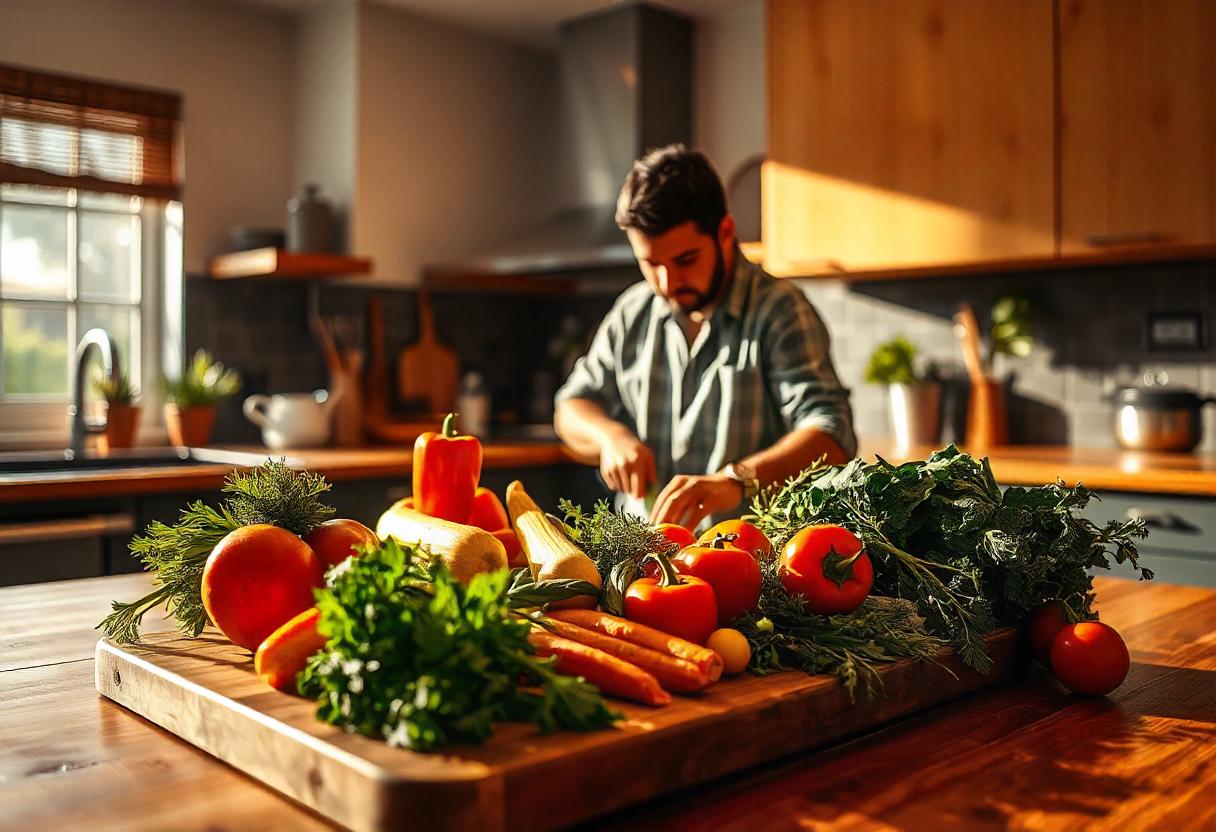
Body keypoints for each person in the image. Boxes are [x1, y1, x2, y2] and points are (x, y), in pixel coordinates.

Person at [554, 144, 856, 530]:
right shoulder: (632, 312)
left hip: (747, 566)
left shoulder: (780, 311)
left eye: (685, 260)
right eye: (650, 263)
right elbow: (571, 406)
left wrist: (735, 481)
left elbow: (832, 433)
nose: (667, 283)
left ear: (725, 232)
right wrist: (610, 437)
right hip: (643, 564)